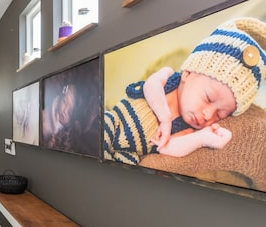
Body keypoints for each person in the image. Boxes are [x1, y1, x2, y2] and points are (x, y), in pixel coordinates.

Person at [104, 17, 266, 165]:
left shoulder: (188, 128)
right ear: (187, 73)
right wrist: (165, 119)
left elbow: (166, 148)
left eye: (220, 114)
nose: (209, 115)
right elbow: (150, 86)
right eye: (208, 98)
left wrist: (201, 138)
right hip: (114, 122)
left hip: (128, 153)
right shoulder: (168, 78)